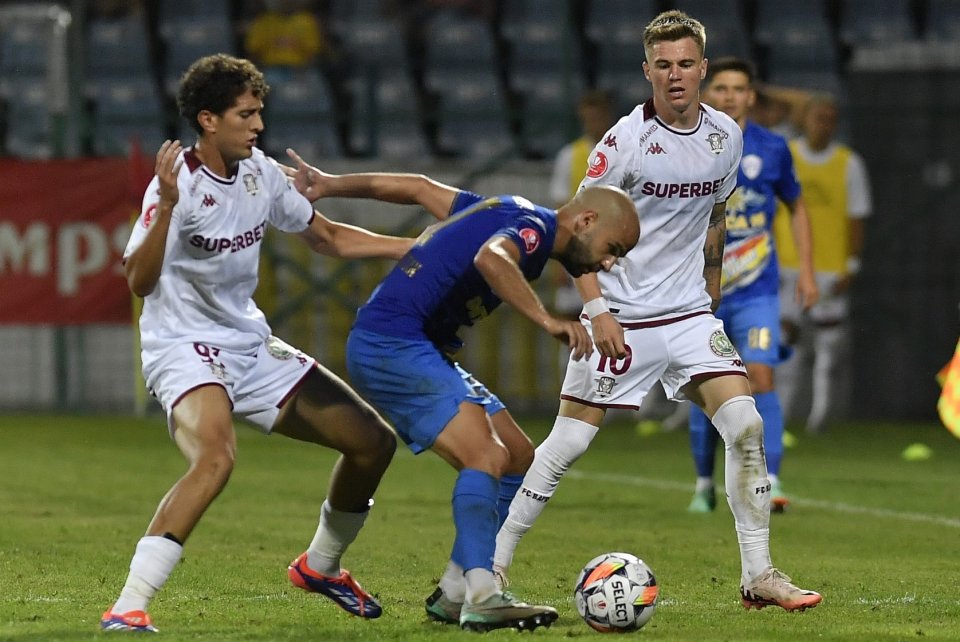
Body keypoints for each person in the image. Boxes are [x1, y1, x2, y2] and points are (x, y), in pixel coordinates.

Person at [494, 10, 822, 613]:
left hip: (691, 316)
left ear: (703, 67)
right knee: (565, 445)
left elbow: (717, 212)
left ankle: (760, 575)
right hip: (623, 317)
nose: (675, 76)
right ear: (647, 70)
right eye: (663, 66)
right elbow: (570, 234)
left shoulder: (727, 135)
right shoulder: (622, 145)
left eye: (686, 65)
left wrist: (714, 277)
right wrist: (597, 312)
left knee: (746, 428)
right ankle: (491, 567)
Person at [100, 54, 418, 633]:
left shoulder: (259, 173)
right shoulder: (176, 188)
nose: (258, 125)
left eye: (259, 112)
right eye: (246, 114)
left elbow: (326, 237)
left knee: (372, 443)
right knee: (216, 458)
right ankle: (129, 604)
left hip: (247, 344)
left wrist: (411, 246)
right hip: (183, 345)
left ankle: (321, 566)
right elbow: (139, 283)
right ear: (207, 120)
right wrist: (168, 207)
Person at [282, 150, 640, 631]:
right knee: (485, 455)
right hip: (393, 343)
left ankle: (453, 593)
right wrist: (546, 321)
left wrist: (329, 183)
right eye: (613, 247)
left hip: (412, 345)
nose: (610, 263)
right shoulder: (531, 232)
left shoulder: (509, 207)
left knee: (516, 455)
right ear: (587, 219)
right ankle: (483, 593)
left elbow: (419, 188)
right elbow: (492, 259)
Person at [685, 57, 819, 514]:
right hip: (700, 293)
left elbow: (796, 207)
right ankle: (704, 484)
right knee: (707, 387)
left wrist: (805, 271)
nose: (729, 96)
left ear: (750, 97)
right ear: (708, 94)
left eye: (738, 88)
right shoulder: (690, 146)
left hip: (757, 292)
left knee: (760, 376)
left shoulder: (772, 148)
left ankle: (771, 477)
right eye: (720, 88)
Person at [773, 92, 872, 434]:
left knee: (828, 354)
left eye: (830, 119)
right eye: (819, 118)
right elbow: (770, 210)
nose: (824, 125)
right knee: (786, 344)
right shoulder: (787, 156)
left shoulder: (849, 163)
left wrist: (852, 265)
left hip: (829, 271)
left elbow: (856, 218)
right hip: (789, 266)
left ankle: (820, 417)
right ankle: (781, 416)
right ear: (806, 120)